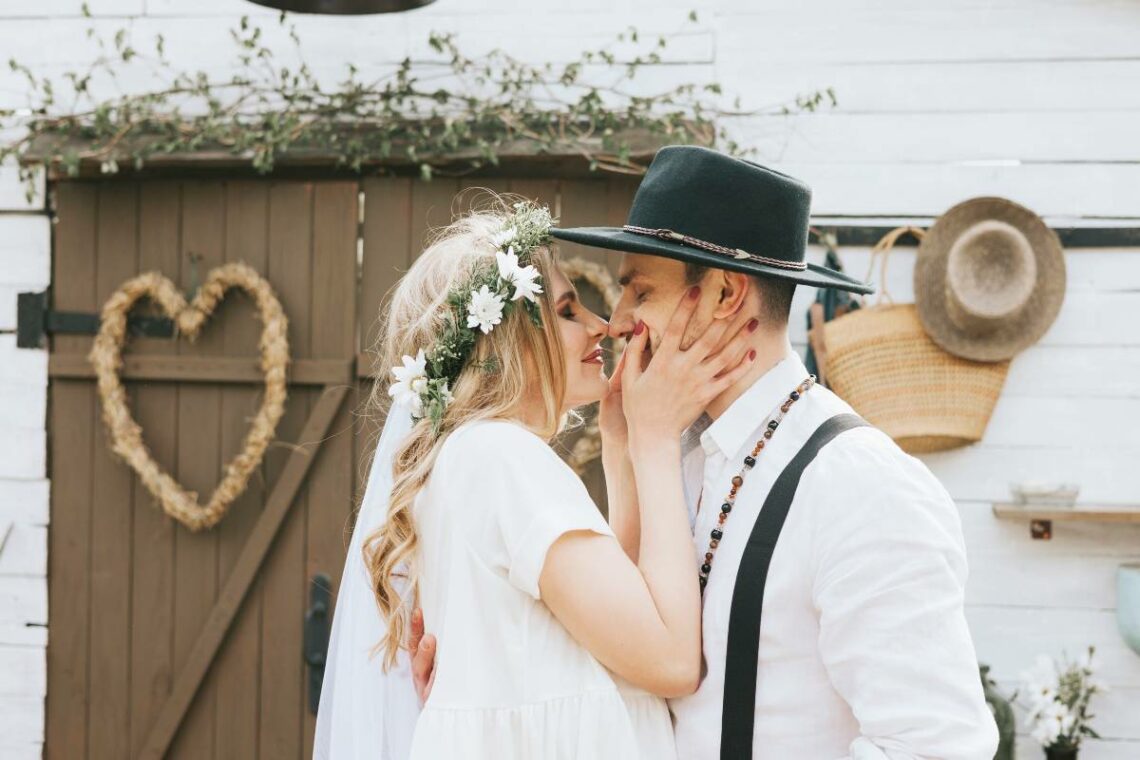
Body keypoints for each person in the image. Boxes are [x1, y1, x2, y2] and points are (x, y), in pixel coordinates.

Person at [407, 146, 1001, 759]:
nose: (617, 321)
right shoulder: (667, 454)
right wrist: (495, 689)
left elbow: (936, 745)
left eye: (638, 291)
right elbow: (620, 661)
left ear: (724, 294)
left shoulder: (860, 486)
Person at [312, 195, 758, 759]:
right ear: (506, 340)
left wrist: (620, 447)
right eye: (569, 312)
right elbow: (670, 661)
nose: (603, 326)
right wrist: (656, 439)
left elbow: (608, 621)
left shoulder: (467, 460)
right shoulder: (501, 459)